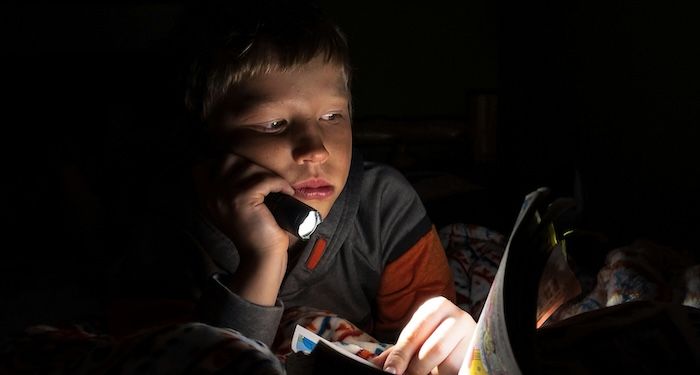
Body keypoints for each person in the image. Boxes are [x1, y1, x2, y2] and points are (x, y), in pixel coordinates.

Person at [105, 1, 477, 374]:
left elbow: (424, 356)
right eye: (274, 124)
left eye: (332, 116)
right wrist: (262, 259)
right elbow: (202, 362)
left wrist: (450, 346)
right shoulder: (166, 231)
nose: (315, 149)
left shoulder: (383, 206)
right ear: (206, 142)